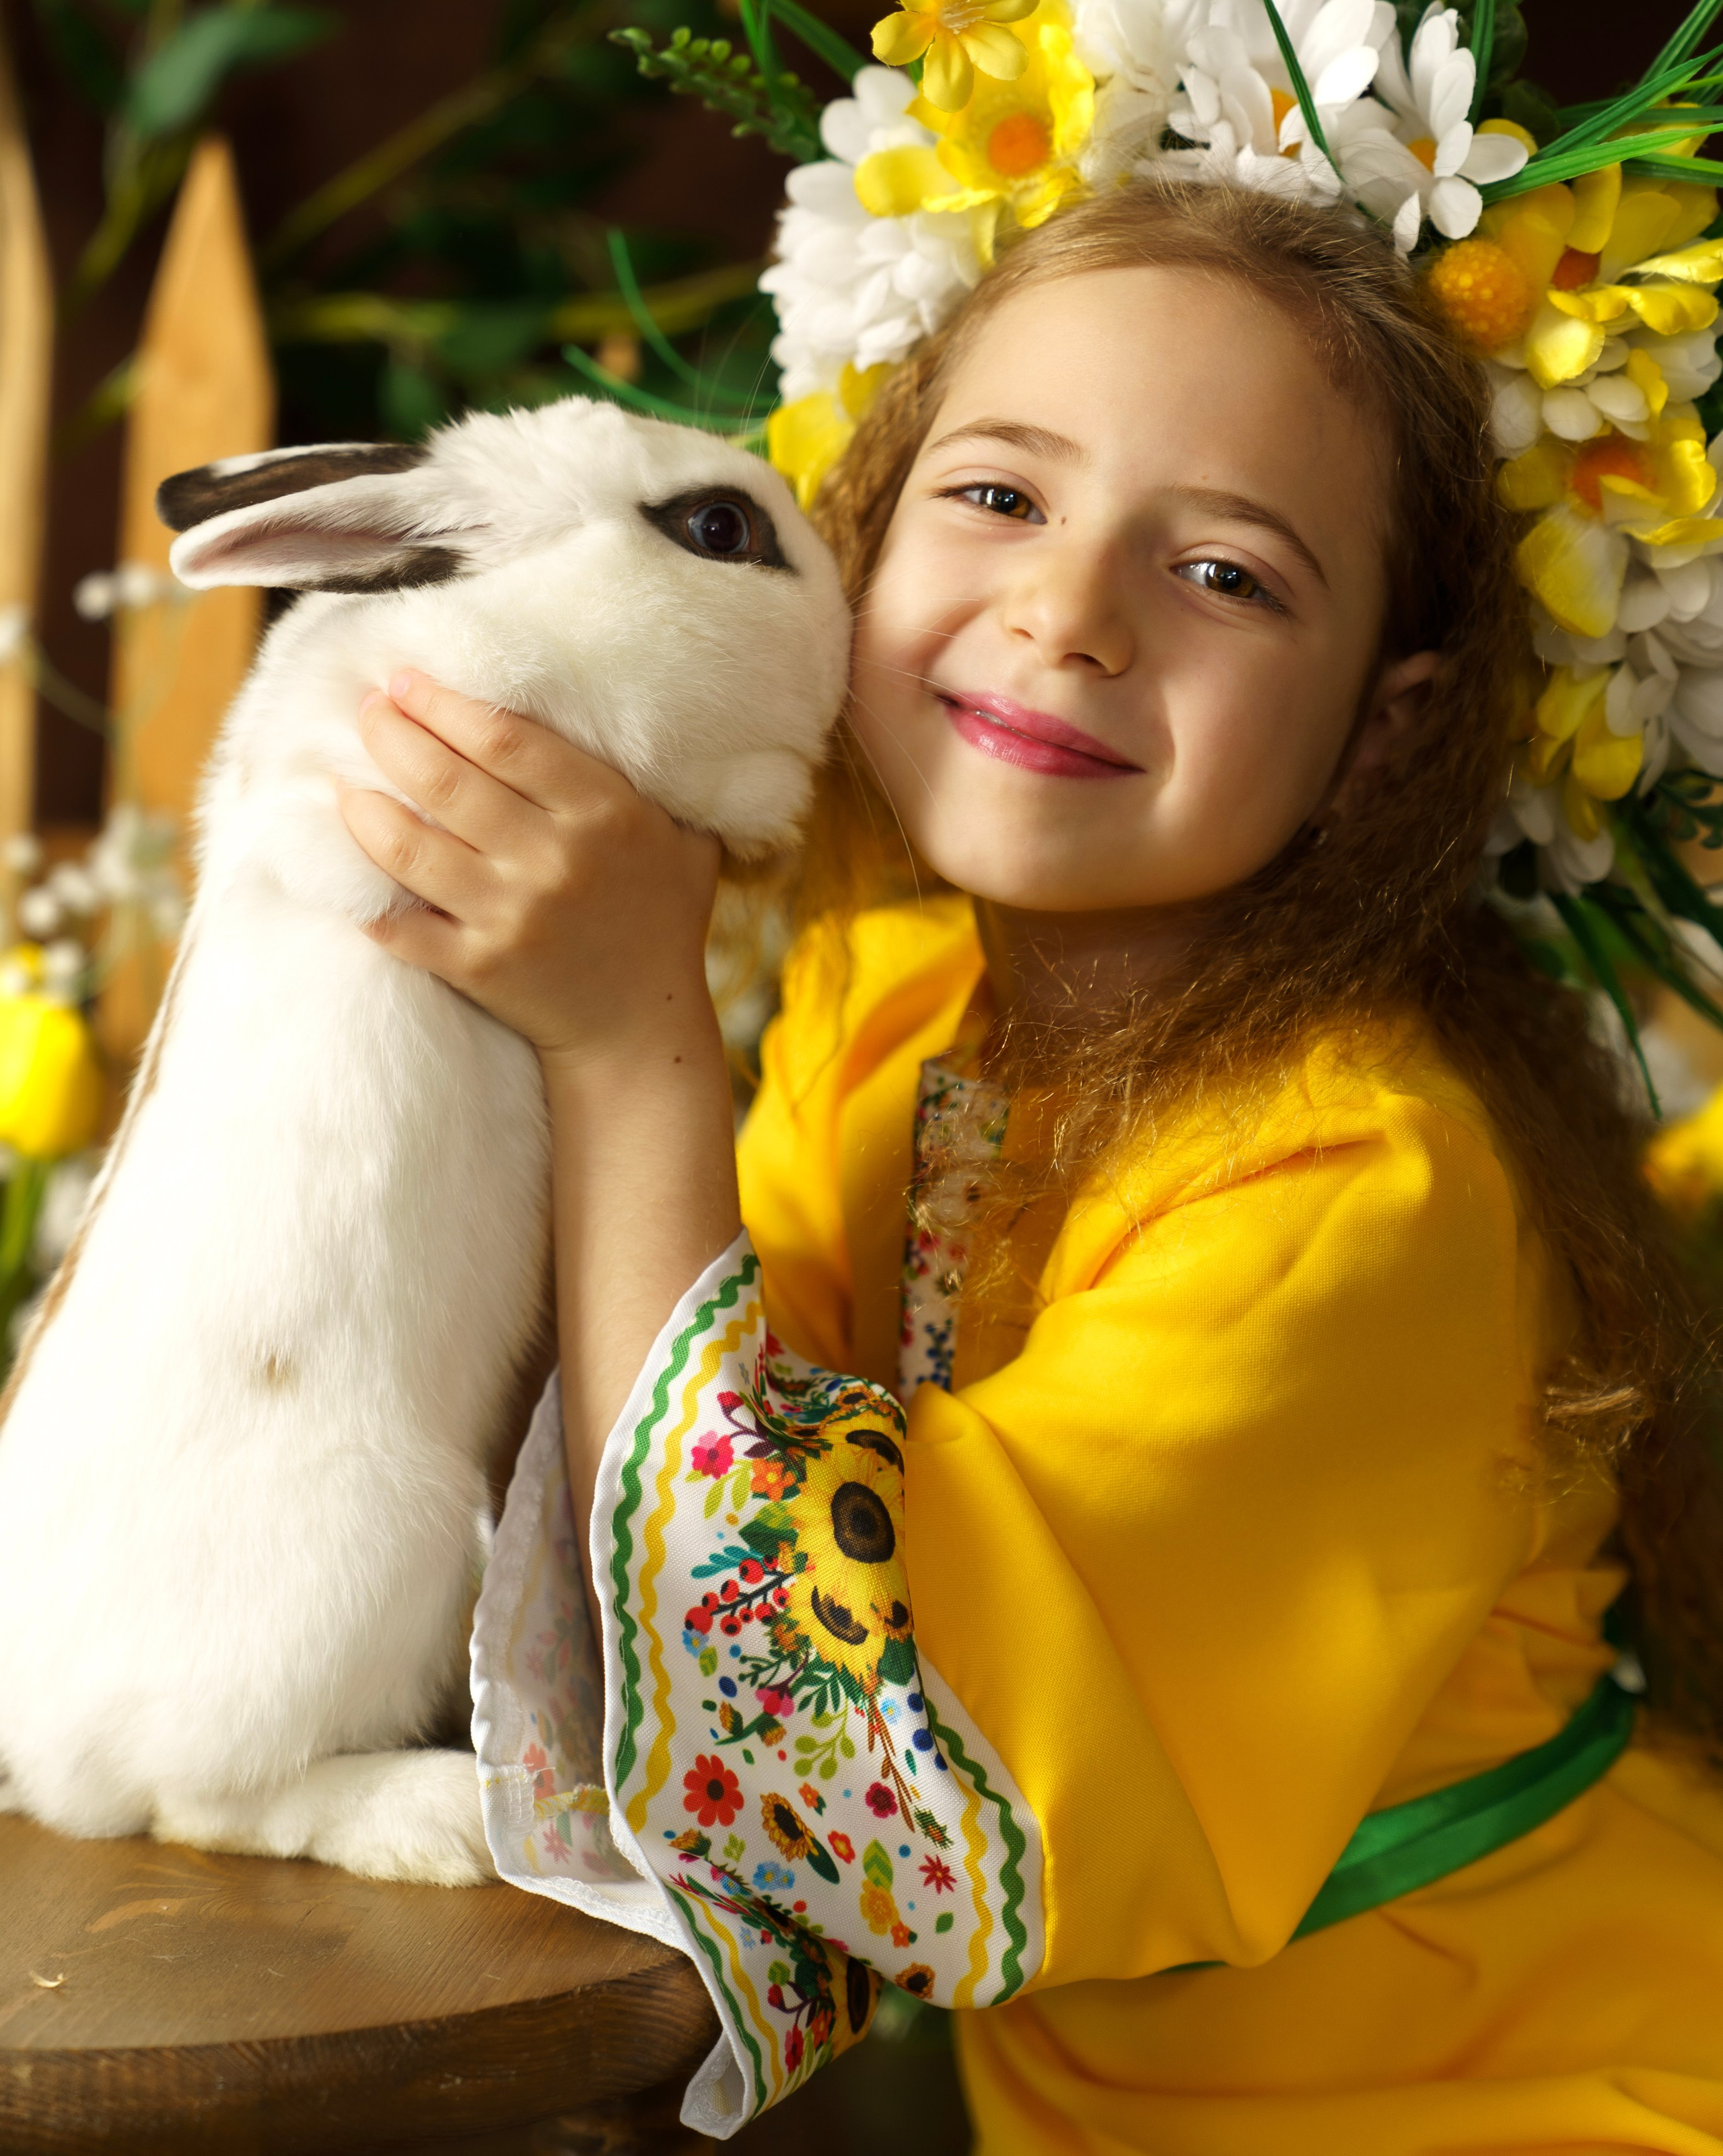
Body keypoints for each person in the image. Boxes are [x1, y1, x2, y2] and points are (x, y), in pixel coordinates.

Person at [337, 182, 1723, 2153]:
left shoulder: (1361, 1190)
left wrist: (630, 1048)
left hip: (1530, 2098)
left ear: (1382, 736)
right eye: (999, 495)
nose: (1070, 614)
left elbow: (851, 1783)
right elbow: (620, 1536)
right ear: (860, 529)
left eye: (1227, 574)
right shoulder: (895, 1015)